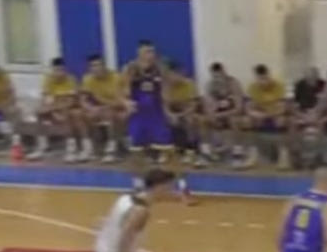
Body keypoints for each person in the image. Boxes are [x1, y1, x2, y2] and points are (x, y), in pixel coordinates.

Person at [121, 42, 192, 203]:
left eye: (152, 52)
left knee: (171, 153)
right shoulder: (131, 69)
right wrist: (125, 102)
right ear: (139, 54)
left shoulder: (161, 69)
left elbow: (165, 92)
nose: (150, 55)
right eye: (147, 52)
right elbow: (120, 91)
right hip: (138, 117)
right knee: (136, 153)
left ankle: (183, 188)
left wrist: (169, 112)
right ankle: (138, 187)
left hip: (157, 117)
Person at [33, 58, 91, 163]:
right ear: (52, 70)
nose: (59, 73)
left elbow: (72, 101)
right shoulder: (48, 80)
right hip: (55, 108)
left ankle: (72, 149)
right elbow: (45, 99)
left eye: (61, 70)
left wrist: (57, 109)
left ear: (65, 70)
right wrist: (50, 109)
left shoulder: (71, 80)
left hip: (69, 108)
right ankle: (43, 146)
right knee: (39, 112)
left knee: (69, 113)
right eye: (56, 70)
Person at [81, 54, 129, 164]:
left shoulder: (116, 78)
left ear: (104, 66)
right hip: (100, 108)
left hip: (117, 108)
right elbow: (83, 99)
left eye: (98, 65)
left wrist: (103, 106)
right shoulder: (88, 79)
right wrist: (90, 108)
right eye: (93, 66)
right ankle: (88, 148)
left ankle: (112, 150)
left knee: (111, 114)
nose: (96, 68)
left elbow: (121, 102)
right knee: (79, 114)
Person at [245, 64, 293, 171]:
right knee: (249, 120)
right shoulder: (253, 87)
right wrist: (256, 114)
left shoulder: (278, 86)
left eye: (264, 78)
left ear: (268, 76)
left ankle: (284, 156)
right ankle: (253, 154)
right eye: (260, 79)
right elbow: (248, 108)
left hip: (275, 114)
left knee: (282, 120)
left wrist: (268, 115)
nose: (263, 82)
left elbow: (282, 108)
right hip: (261, 115)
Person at [202, 62, 248, 168]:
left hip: (232, 113)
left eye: (219, 76)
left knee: (234, 120)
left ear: (224, 72)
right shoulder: (210, 85)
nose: (217, 79)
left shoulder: (234, 84)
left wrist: (221, 115)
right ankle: (206, 152)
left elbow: (238, 108)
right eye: (214, 76)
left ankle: (237, 152)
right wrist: (212, 114)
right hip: (218, 114)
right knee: (203, 120)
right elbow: (207, 106)